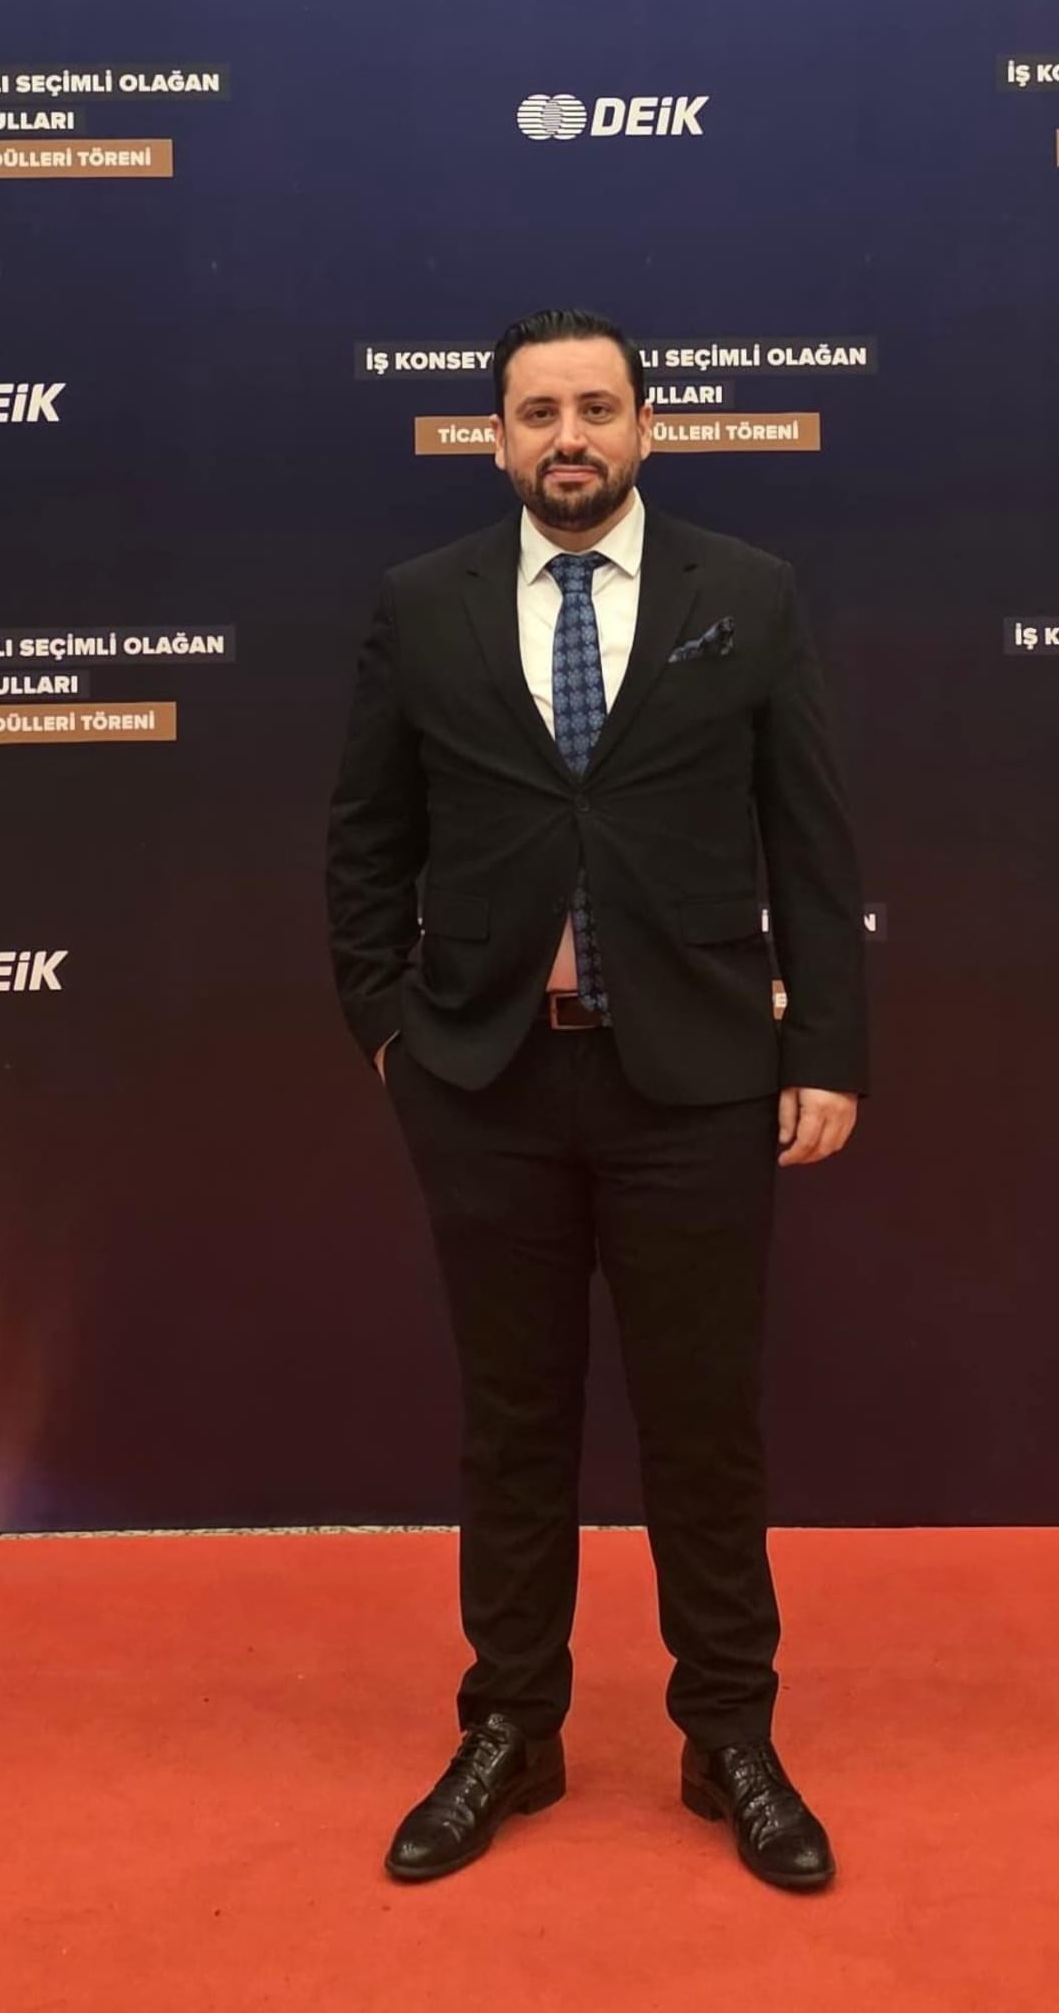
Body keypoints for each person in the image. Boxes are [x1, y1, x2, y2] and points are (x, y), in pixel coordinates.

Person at [325, 307, 867, 1891]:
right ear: (495, 438)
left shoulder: (745, 594)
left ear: (645, 427)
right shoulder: (419, 603)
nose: (568, 437)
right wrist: (386, 1029)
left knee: (703, 1426)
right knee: (513, 1426)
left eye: (596, 408)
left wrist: (827, 1050)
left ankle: (729, 1733)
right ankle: (511, 1724)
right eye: (537, 412)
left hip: (695, 1083)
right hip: (485, 1079)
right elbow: (366, 837)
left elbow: (811, 841)